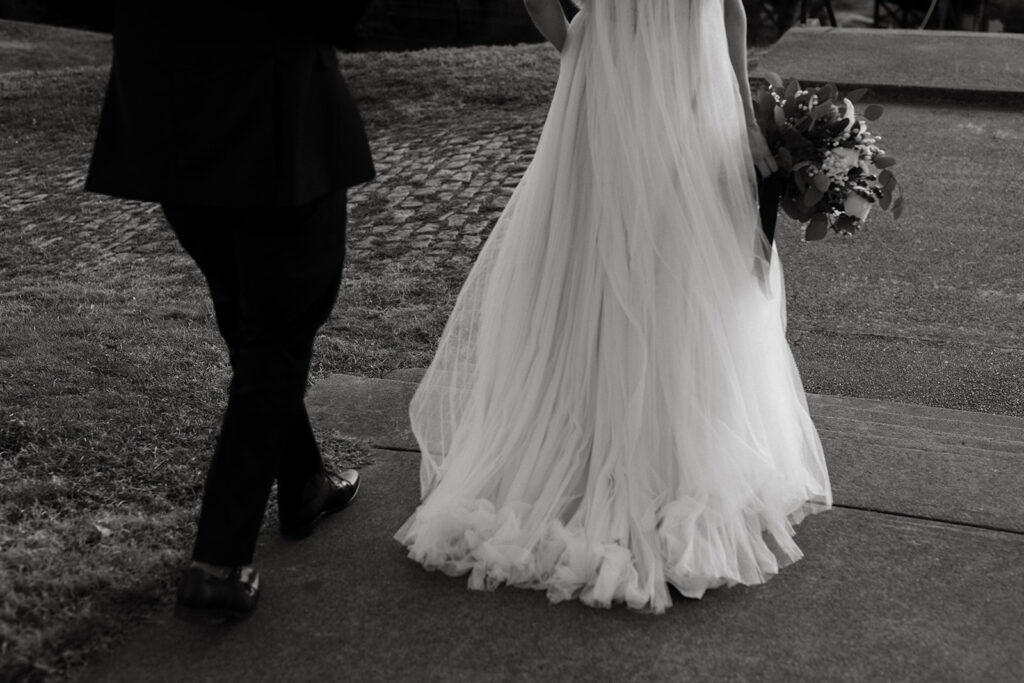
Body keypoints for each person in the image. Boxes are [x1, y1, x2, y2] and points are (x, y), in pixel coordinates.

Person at [395, 0, 832, 613]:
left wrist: (580, 45)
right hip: (683, 78)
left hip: (619, 78)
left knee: (616, 259)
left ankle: (605, 451)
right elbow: (732, 7)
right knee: (668, 266)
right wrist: (739, 104)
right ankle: (671, 461)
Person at [85, 2, 375, 621]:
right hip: (270, 111)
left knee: (248, 313)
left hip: (166, 112)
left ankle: (304, 484)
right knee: (278, 327)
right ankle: (219, 559)